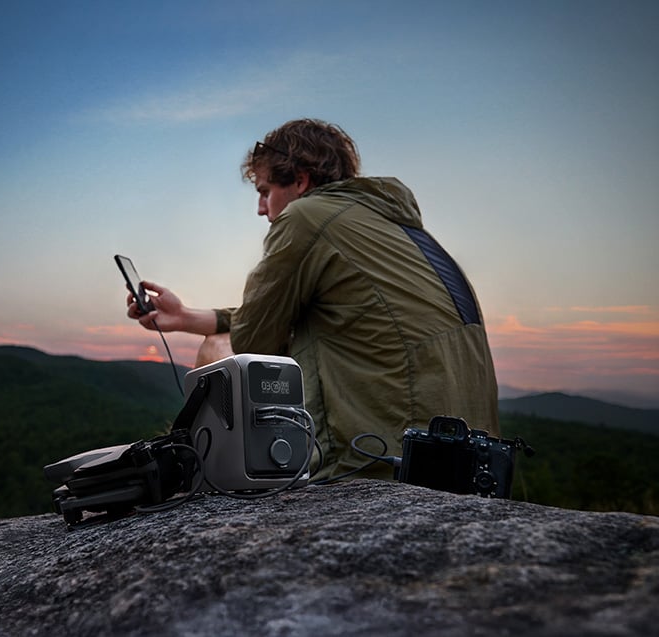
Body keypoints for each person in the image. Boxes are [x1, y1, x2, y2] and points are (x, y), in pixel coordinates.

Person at [126, 118, 498, 481]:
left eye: (265, 191)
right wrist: (185, 316)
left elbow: (255, 340)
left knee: (219, 354)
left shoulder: (305, 216)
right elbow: (312, 315)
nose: (260, 208)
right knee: (222, 340)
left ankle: (203, 479)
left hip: (381, 458)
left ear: (300, 181)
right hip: (474, 462)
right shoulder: (395, 228)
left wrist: (213, 331)